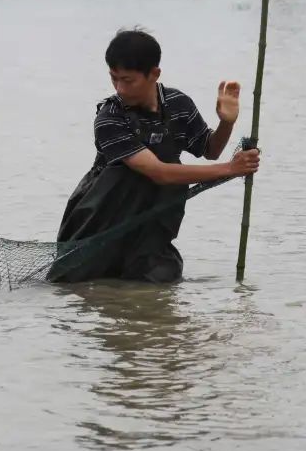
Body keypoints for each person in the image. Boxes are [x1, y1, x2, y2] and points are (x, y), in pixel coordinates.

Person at [49, 29, 261, 284]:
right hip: (101, 224)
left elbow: (209, 149)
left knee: (158, 286)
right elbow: (159, 172)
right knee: (80, 286)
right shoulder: (109, 118)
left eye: (128, 80)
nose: (119, 88)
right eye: (114, 79)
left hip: (151, 228)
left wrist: (226, 123)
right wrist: (230, 168)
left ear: (154, 74)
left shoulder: (178, 104)